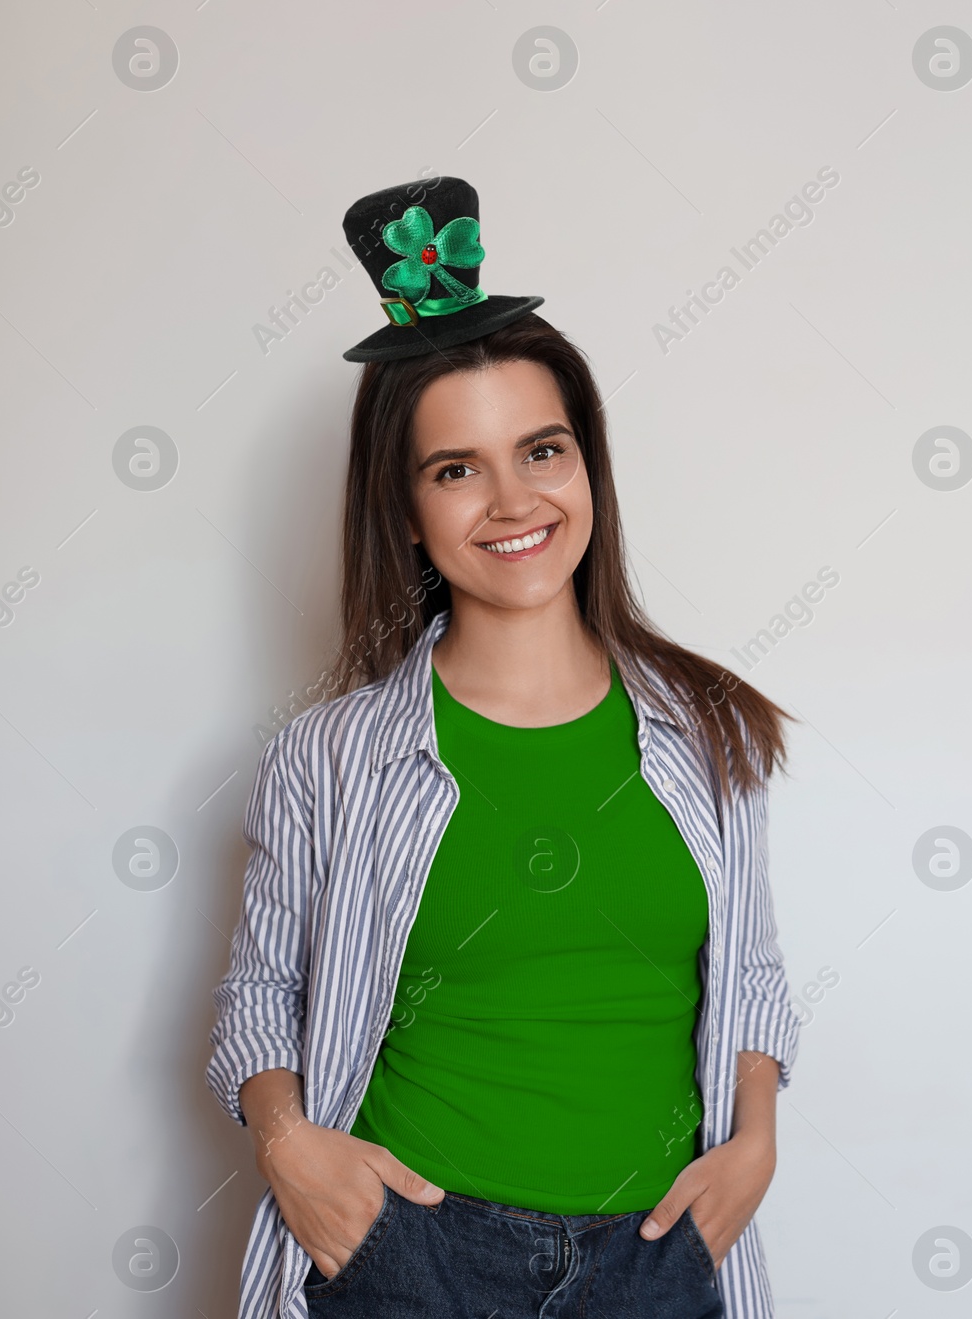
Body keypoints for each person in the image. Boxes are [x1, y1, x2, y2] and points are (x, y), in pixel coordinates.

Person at [206, 176, 801, 1319]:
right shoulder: (327, 758)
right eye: (456, 467)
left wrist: (756, 1142)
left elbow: (754, 974)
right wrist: (291, 1149)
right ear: (408, 505)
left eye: (543, 449)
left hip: (662, 1255)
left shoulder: (708, 729)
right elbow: (258, 991)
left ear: (588, 465)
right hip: (404, 1258)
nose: (512, 499)